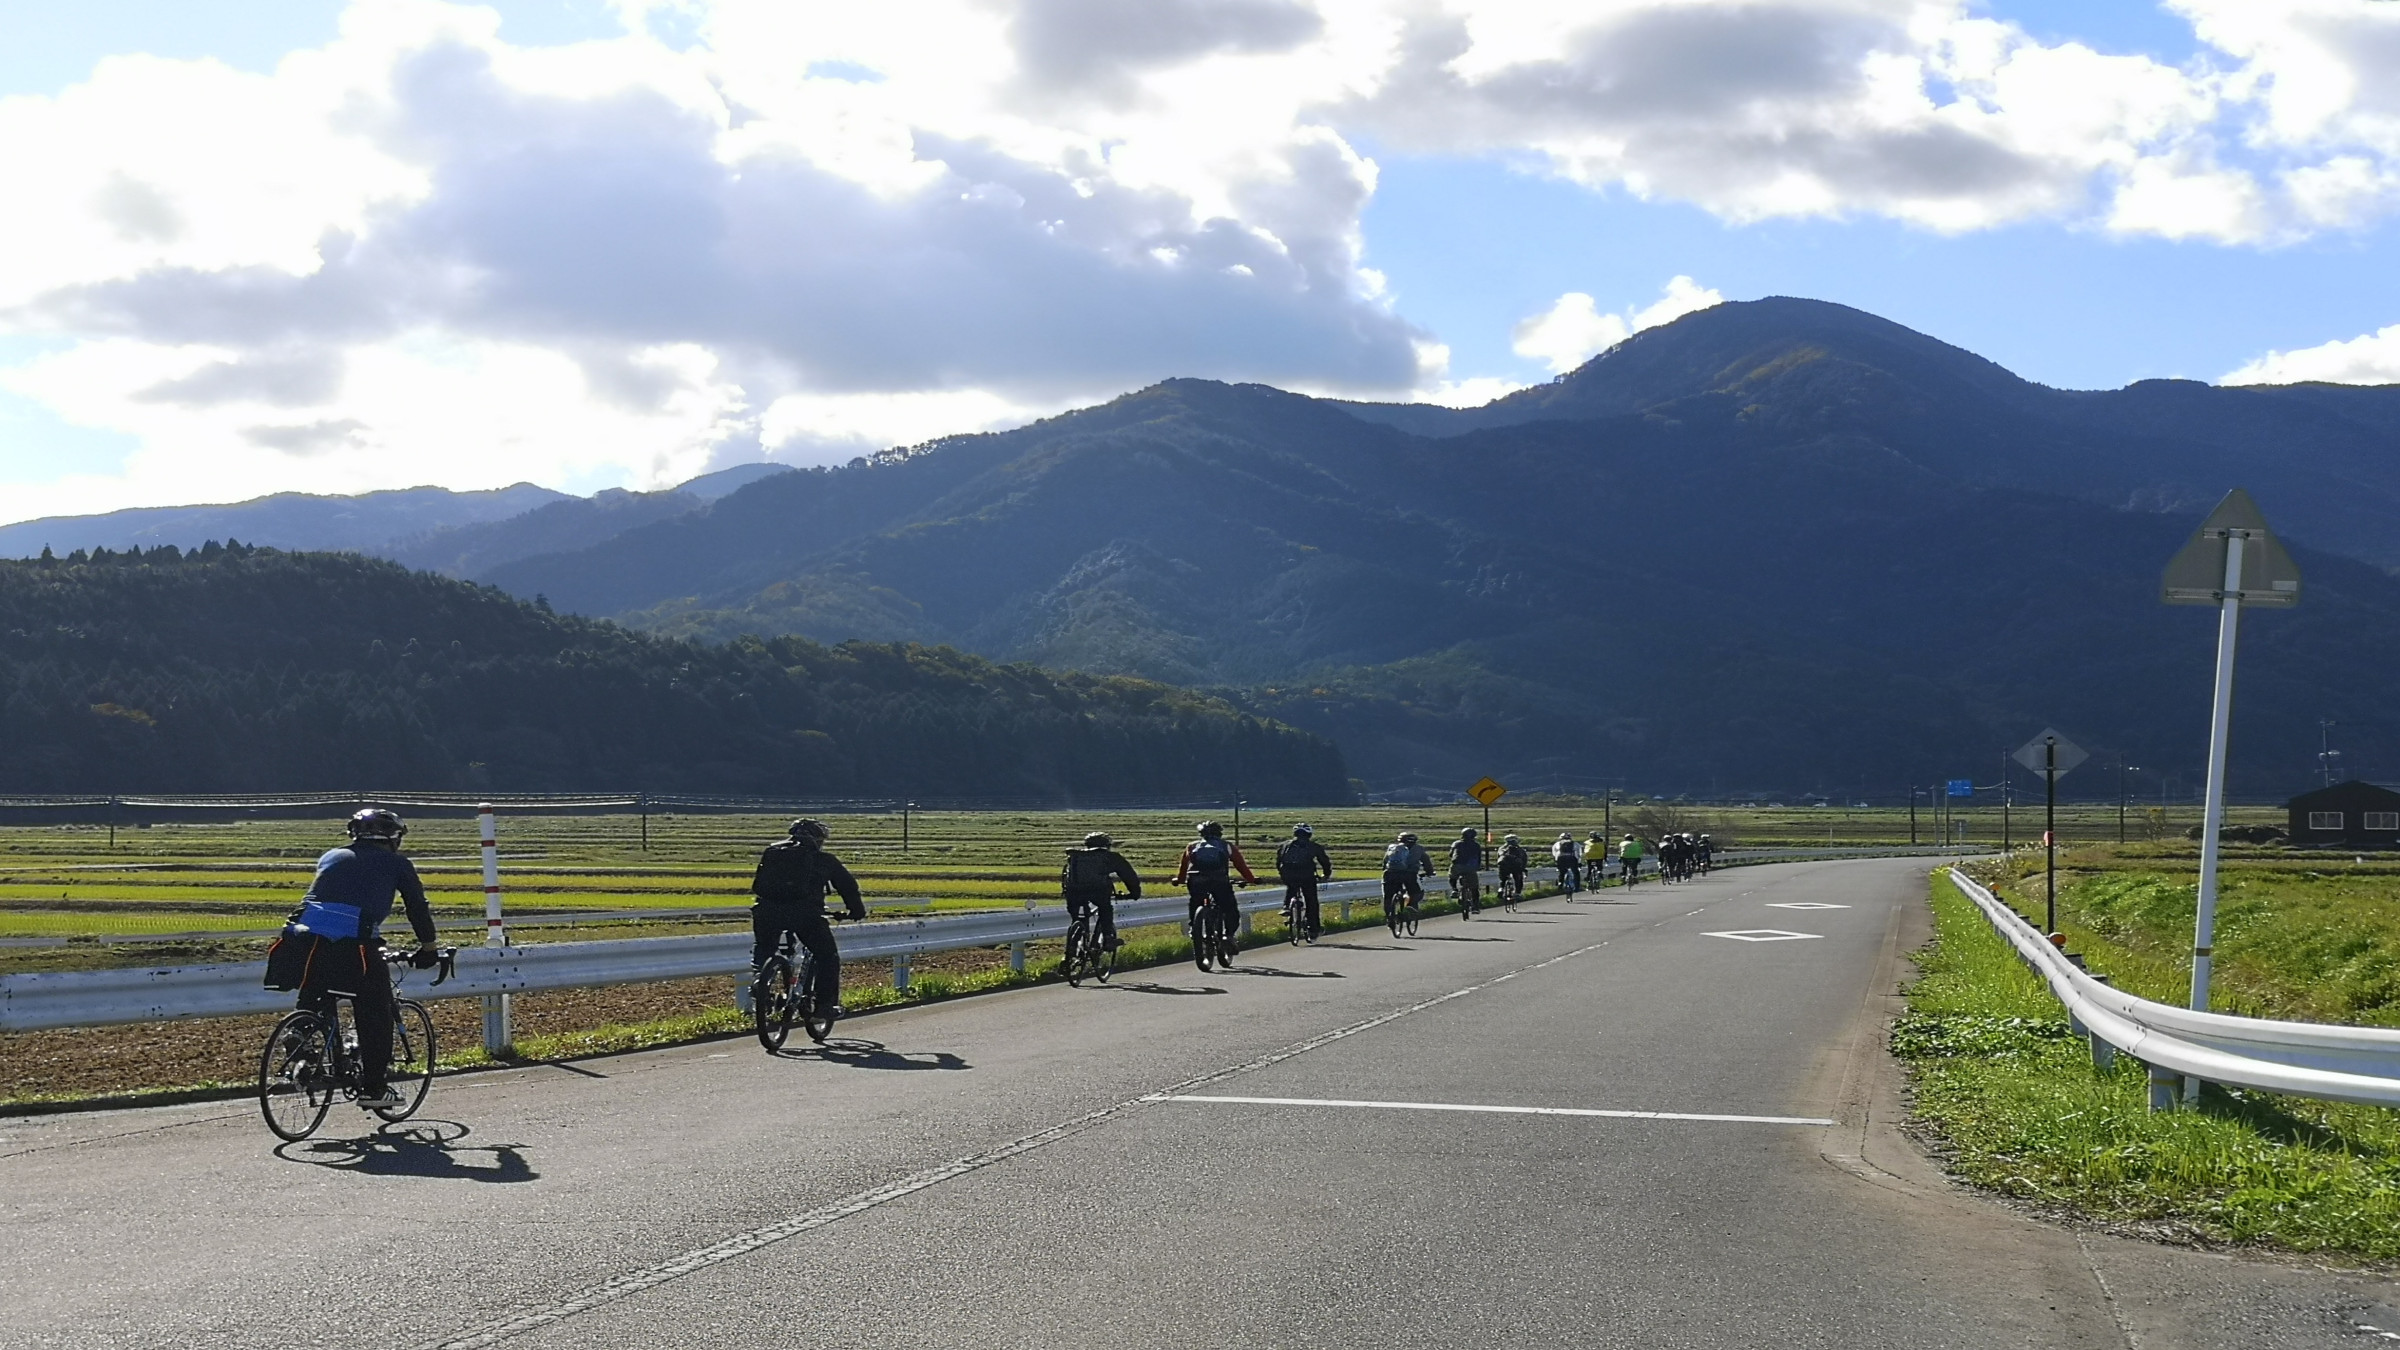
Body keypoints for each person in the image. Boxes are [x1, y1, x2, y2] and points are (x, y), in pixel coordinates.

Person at [278, 808, 440, 1108]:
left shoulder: (331, 856)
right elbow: (417, 906)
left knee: (315, 995)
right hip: (356, 946)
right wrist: (429, 946)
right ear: (393, 838)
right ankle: (374, 1090)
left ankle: (300, 1036)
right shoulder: (397, 863)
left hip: (301, 941)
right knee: (374, 1012)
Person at [752, 818, 865, 1019]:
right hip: (805, 914)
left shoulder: (772, 853)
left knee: (765, 948)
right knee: (827, 956)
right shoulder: (824, 859)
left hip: (766, 911)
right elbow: (848, 887)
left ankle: (761, 982)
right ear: (818, 840)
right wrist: (856, 911)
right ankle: (824, 1007)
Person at [1173, 820, 1256, 962]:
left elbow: (1183, 868)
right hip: (1219, 881)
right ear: (1219, 833)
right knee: (1230, 908)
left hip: (1196, 881)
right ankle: (1228, 936)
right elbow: (1240, 865)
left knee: (1195, 902)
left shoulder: (1192, 846)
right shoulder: (1226, 846)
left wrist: (1179, 880)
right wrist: (1251, 879)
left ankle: (1194, 928)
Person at [1061, 831, 1141, 950]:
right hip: (1098, 891)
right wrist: (1135, 893)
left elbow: (1066, 876)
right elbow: (1129, 876)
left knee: (1077, 918)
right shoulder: (1110, 857)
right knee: (1106, 909)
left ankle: (1071, 951)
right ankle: (1108, 939)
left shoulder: (1075, 856)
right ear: (1107, 845)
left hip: (1074, 891)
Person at [1274, 823, 1334, 940]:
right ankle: (1313, 929)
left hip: (1288, 875)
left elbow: (1278, 861)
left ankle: (1286, 907)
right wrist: (1326, 875)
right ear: (1309, 834)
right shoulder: (1313, 846)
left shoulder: (1285, 845)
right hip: (1307, 876)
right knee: (1311, 901)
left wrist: (1282, 874)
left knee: (1291, 888)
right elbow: (1325, 862)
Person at [1381, 831, 1432, 924]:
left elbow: (1385, 862)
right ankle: (1410, 906)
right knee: (1416, 893)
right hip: (1409, 875)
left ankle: (1389, 917)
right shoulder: (1418, 849)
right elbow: (1426, 862)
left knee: (1388, 897)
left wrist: (1386, 870)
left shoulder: (1392, 848)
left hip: (1390, 874)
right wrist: (1429, 872)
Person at [1448, 826, 1485, 915]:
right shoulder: (1476, 845)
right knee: (1474, 888)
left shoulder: (1456, 843)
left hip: (1457, 866)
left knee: (1452, 876)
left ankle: (1454, 890)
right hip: (1471, 867)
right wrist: (1478, 867)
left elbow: (1450, 855)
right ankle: (1475, 907)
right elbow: (1479, 858)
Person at [1496, 833, 1529, 901]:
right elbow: (1524, 859)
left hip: (1503, 865)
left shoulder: (1501, 848)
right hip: (1515, 866)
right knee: (1518, 878)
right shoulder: (1519, 849)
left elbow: (1498, 858)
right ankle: (1517, 893)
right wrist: (1523, 868)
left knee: (1503, 879)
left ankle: (1501, 889)